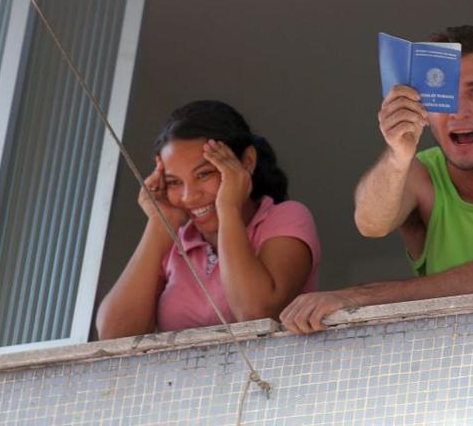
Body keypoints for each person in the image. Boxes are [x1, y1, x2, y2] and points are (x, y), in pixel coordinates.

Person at [281, 25, 473, 334]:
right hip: (450, 360)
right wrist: (397, 154)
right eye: (445, 96)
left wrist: (355, 297)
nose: (459, 112)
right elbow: (370, 223)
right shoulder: (419, 171)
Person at [97, 100, 320, 338]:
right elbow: (114, 335)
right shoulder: (174, 243)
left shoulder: (285, 217)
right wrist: (160, 225)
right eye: (174, 182)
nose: (189, 196)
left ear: (247, 161)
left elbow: (256, 314)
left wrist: (228, 208)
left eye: (204, 174)